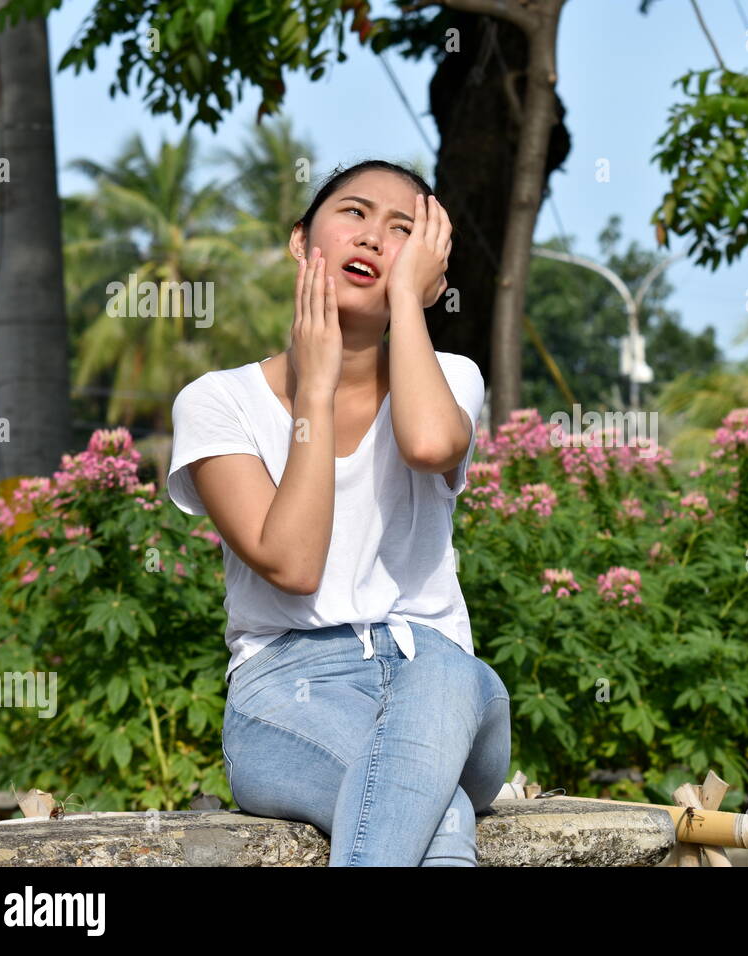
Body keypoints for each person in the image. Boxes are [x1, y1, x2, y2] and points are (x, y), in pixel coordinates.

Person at [166, 160, 510, 866]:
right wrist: (314, 394)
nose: (374, 239)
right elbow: (293, 563)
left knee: (446, 670)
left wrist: (408, 307)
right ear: (301, 241)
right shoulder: (217, 401)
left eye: (403, 230)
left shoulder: (454, 379)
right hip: (286, 694)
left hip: (438, 676)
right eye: (353, 213)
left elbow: (426, 444)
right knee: (440, 822)